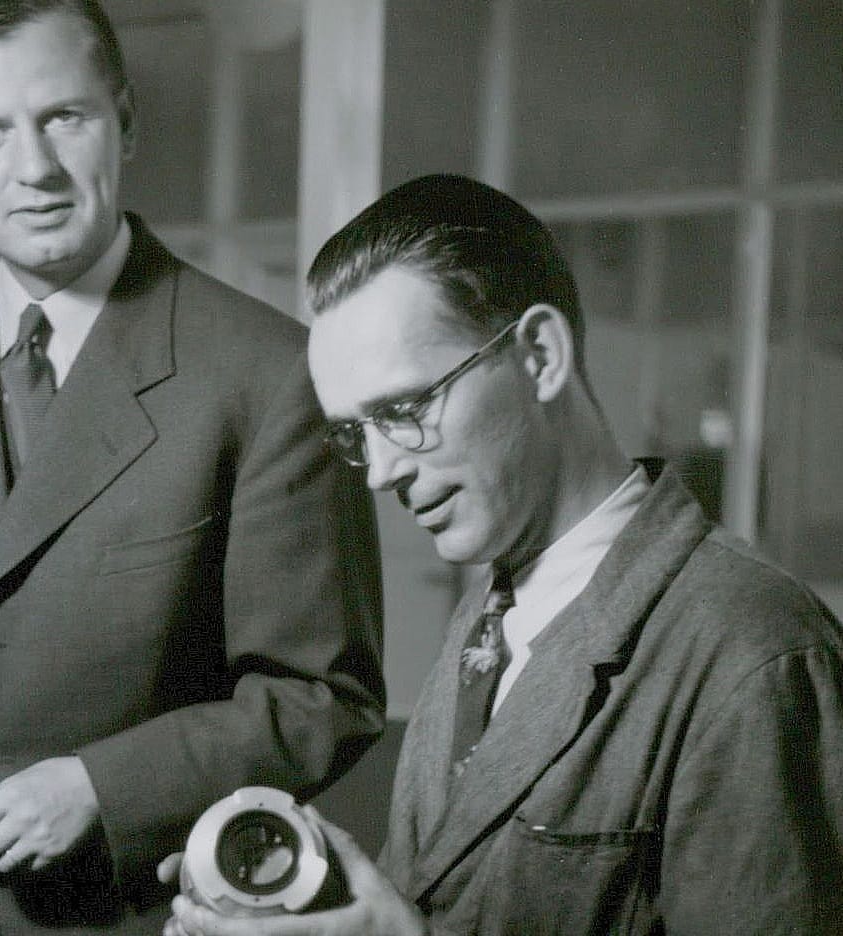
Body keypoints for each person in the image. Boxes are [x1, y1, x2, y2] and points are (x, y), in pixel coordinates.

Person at [0, 3, 385, 935]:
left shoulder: (265, 371)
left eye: (63, 118)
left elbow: (323, 699)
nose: (32, 168)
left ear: (124, 117)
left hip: (147, 912)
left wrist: (99, 786)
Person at [161, 174, 843, 935]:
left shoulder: (752, 648)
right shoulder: (494, 617)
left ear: (540, 356)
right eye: (356, 432)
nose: (382, 471)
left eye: (405, 410)